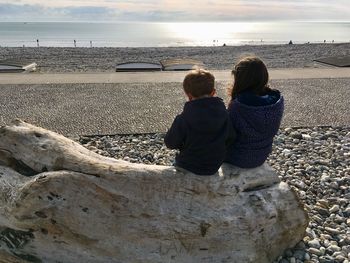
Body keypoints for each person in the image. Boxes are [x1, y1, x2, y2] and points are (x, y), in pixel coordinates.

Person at [164, 68, 235, 175]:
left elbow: (170, 143)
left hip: (188, 165)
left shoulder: (184, 118)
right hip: (213, 165)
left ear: (188, 95)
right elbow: (231, 137)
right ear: (213, 92)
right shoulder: (224, 114)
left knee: (175, 163)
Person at [225, 56, 284, 168]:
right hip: (261, 156)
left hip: (236, 157)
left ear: (239, 79)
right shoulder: (277, 100)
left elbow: (229, 135)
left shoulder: (239, 105)